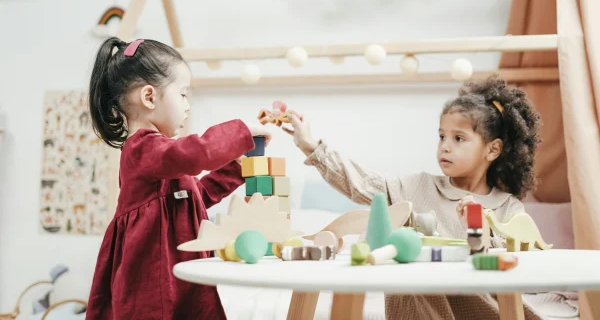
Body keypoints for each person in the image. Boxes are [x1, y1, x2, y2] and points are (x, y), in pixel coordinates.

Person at [284, 76, 545, 319]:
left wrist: (482, 235)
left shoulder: (508, 207)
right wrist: (310, 145)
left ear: (492, 149)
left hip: (486, 312)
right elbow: (360, 182)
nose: (445, 145)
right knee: (412, 271)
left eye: (459, 138)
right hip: (422, 310)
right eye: (442, 136)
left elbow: (520, 263)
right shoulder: (418, 187)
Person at [85, 37, 271, 320]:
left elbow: (197, 194)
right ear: (149, 97)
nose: (188, 106)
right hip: (152, 279)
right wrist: (241, 132)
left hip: (180, 273)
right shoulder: (143, 148)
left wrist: (237, 168)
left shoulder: (162, 158)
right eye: (183, 94)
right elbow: (197, 155)